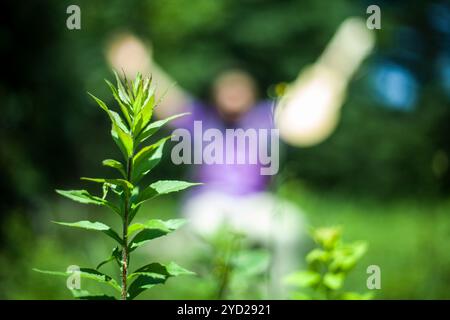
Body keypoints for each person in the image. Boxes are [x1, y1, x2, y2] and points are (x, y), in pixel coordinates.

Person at [105, 19, 374, 297]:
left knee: (291, 227)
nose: (233, 94)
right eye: (227, 88)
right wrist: (135, 66)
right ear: (215, 94)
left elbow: (309, 105)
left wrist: (344, 55)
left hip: (255, 204)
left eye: (239, 88)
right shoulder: (199, 119)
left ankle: (280, 295)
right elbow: (162, 97)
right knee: (208, 238)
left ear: (252, 93)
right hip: (209, 204)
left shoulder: (266, 118)